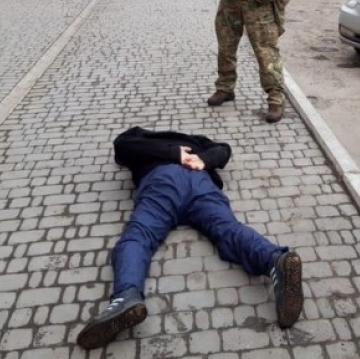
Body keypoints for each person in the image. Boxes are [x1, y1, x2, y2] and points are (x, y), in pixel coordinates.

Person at [76, 126, 304, 350]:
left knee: (139, 237)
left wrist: (191, 158)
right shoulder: (195, 141)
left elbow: (122, 146)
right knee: (228, 229)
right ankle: (275, 260)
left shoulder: (139, 137)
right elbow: (223, 149)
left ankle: (126, 296)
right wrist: (195, 157)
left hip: (163, 180)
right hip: (199, 181)